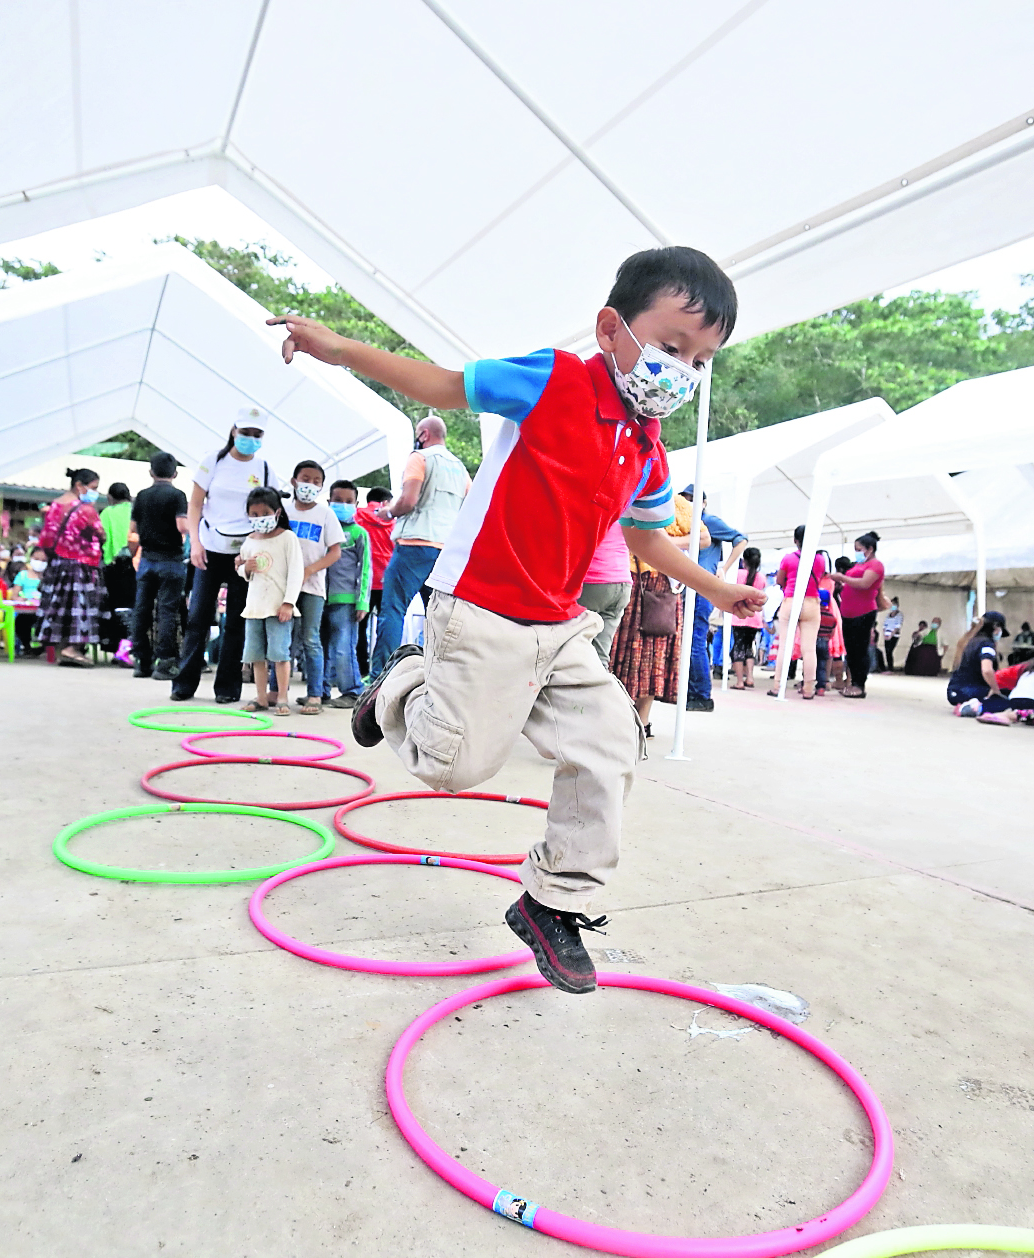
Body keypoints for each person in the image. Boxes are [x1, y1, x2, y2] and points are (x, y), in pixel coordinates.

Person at [269, 244, 763, 995]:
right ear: (609, 329)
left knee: (610, 741)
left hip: (559, 623)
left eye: (700, 360)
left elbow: (645, 536)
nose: (682, 371)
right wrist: (339, 350)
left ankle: (551, 903)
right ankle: (403, 681)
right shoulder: (555, 379)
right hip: (481, 605)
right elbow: (442, 384)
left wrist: (719, 591)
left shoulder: (647, 449)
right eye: (670, 346)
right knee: (452, 766)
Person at [174, 409, 274, 704]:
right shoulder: (213, 461)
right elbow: (195, 505)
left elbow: (271, 512)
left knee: (236, 622)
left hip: (244, 555)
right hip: (209, 547)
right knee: (198, 617)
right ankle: (184, 683)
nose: (250, 440)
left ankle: (228, 688)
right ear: (234, 431)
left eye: (257, 435)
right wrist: (194, 543)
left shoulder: (265, 469)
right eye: (246, 433)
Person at [368, 414, 470, 677]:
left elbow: (408, 500)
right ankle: (436, 675)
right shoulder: (460, 468)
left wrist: (388, 512)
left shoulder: (420, 458)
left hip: (414, 546)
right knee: (437, 616)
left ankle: (382, 677)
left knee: (393, 611)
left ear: (424, 434)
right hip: (445, 551)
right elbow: (469, 508)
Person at [613, 484, 700, 734]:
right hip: (626, 579)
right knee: (622, 651)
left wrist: (663, 544)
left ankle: (642, 719)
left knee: (653, 652)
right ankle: (621, 714)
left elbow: (702, 538)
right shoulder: (622, 491)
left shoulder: (675, 502)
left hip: (656, 586)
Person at [285, 459, 346, 715]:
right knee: (283, 640)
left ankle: (314, 694)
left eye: (316, 481)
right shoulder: (284, 512)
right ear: (294, 481)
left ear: (321, 487)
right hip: (283, 586)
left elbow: (335, 552)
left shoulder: (325, 514)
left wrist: (309, 571)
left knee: (311, 639)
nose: (309, 485)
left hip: (312, 587)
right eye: (305, 479)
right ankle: (278, 693)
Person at [235, 487, 303, 716]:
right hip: (254, 607)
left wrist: (289, 603)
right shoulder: (249, 541)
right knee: (256, 656)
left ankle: (282, 697)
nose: (258, 519)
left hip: (278, 609)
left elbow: (296, 572)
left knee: (280, 655)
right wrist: (245, 568)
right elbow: (242, 569)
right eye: (253, 515)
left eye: (263, 513)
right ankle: (261, 697)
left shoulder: (287, 538)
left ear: (276, 512)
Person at [682, 487, 746, 710]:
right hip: (689, 586)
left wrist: (724, 568)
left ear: (704, 503)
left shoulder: (709, 521)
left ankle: (701, 695)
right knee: (690, 641)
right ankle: (693, 692)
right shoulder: (687, 523)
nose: (688, 503)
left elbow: (741, 539)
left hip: (702, 587)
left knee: (695, 641)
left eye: (692, 500)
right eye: (686, 499)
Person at [36, 468, 104, 668]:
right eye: (93, 488)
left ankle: (59, 649)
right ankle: (72, 648)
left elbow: (46, 538)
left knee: (60, 608)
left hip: (57, 565)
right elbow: (101, 534)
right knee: (79, 608)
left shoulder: (54, 506)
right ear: (79, 486)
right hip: (80, 565)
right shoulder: (86, 510)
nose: (94, 492)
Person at [130, 452, 190, 681]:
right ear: (175, 473)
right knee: (167, 611)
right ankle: (164, 663)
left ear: (151, 472)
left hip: (147, 560)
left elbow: (134, 527)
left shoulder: (142, 496)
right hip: (171, 560)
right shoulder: (177, 496)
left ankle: (141, 661)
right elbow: (182, 526)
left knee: (142, 609)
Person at [322, 480, 372, 708]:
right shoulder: (322, 530)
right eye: (337, 501)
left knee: (343, 647)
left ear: (356, 504)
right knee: (319, 647)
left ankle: (352, 691)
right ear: (328, 502)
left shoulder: (359, 533)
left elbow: (365, 569)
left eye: (348, 502)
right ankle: (319, 690)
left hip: (347, 601)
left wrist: (362, 601)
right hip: (319, 597)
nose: (343, 505)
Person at [770, 525, 827, 699]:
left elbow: (780, 580)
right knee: (809, 649)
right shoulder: (820, 560)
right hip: (811, 602)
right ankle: (809, 688)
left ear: (795, 540)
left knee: (785, 646)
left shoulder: (788, 558)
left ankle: (778, 685)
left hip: (791, 600)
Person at [830, 530, 885, 697]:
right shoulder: (859, 565)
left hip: (863, 612)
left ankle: (859, 685)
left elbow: (864, 584)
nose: (856, 552)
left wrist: (842, 578)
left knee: (860, 649)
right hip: (849, 612)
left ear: (869, 549)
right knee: (852, 650)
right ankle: (853, 682)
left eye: (858, 549)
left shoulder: (875, 565)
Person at [354, 486, 395, 679]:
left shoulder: (357, 516)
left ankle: (360, 669)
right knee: (387, 625)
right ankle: (383, 670)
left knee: (358, 628)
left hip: (363, 581)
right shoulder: (394, 521)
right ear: (386, 502)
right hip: (387, 579)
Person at [577, 522, 632, 663]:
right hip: (622, 582)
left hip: (592, 580)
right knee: (600, 656)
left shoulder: (594, 508)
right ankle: (602, 683)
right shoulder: (623, 506)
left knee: (572, 648)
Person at [97, 481, 136, 660]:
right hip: (136, 564)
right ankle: (130, 647)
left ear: (110, 497)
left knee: (115, 607)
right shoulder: (135, 510)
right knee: (134, 606)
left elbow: (103, 539)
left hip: (114, 566)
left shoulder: (107, 513)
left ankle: (116, 648)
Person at [945, 611, 1007, 714]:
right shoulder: (987, 644)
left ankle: (966, 704)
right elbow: (987, 670)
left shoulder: (968, 641)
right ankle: (975, 707)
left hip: (954, 691)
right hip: (970, 691)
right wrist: (995, 690)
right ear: (996, 629)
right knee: (1006, 700)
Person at [727, 547, 766, 690]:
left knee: (738, 647)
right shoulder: (761, 577)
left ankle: (739, 681)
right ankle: (750, 677)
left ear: (744, 560)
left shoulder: (738, 574)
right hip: (754, 616)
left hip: (739, 615)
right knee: (749, 648)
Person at [881, 597, 904, 672]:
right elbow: (884, 625)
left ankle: (891, 668)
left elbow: (897, 626)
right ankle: (888, 667)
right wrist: (885, 634)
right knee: (887, 651)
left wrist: (891, 635)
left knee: (890, 651)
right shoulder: (888, 615)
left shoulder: (899, 615)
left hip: (894, 635)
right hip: (887, 635)